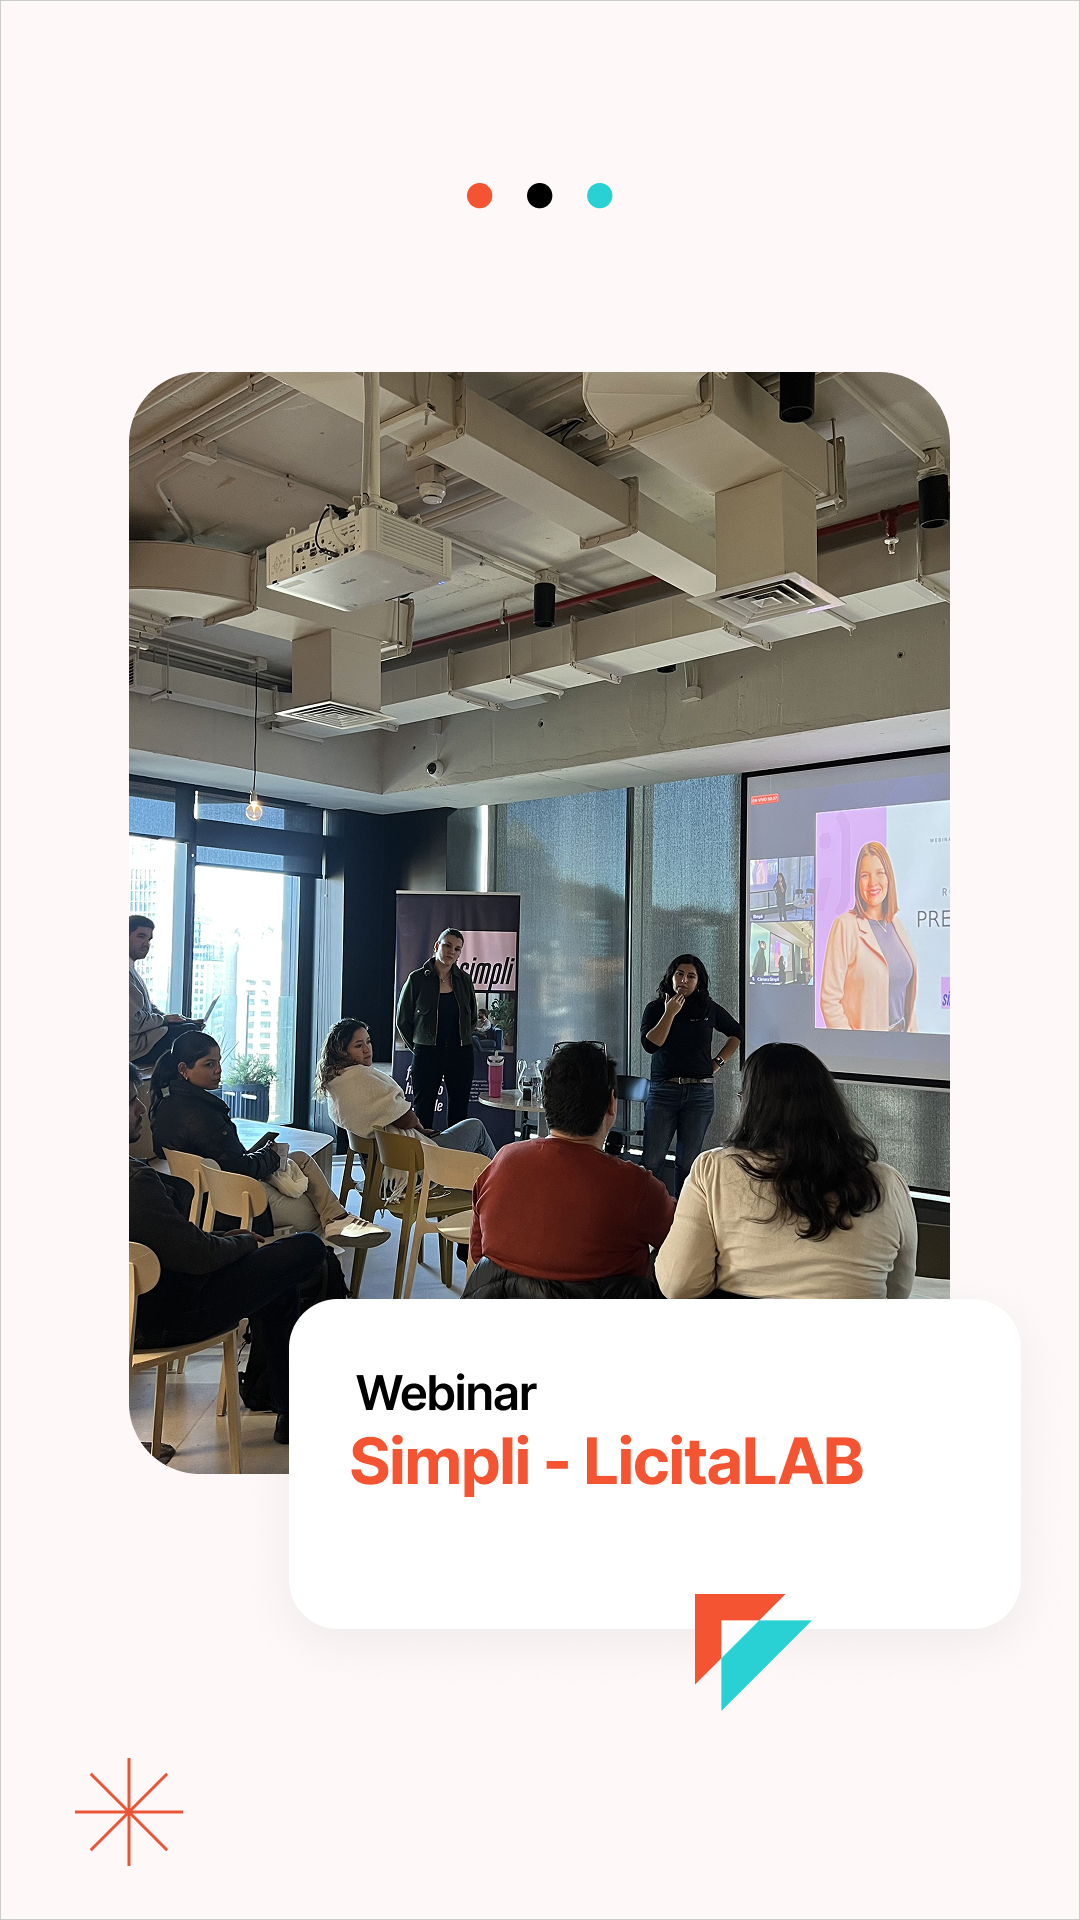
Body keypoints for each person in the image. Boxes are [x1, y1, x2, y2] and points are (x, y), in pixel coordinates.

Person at [129, 1066, 330, 1442]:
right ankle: (288, 1405)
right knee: (307, 1248)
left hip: (142, 1312)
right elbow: (196, 1256)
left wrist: (223, 1238)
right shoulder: (134, 1182)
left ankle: (287, 1407)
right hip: (170, 1315)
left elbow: (170, 1242)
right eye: (130, 1102)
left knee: (276, 1278)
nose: (140, 1107)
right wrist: (244, 1244)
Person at [656, 1042, 917, 1300]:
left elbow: (679, 1284)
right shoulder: (886, 1183)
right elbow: (898, 1288)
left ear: (750, 1106)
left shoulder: (713, 1170)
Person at [463, 1041, 674, 1297]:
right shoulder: (636, 1187)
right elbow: (687, 1248)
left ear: (546, 1101)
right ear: (611, 1104)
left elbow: (478, 1255)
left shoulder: (500, 1164)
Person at [149, 1030, 351, 1237]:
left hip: (204, 1196)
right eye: (209, 1064)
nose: (218, 1070)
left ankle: (338, 1217)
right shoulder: (203, 1115)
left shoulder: (166, 1105)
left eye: (218, 1062)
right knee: (313, 1213)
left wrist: (264, 1155)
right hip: (234, 1201)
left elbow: (215, 1157)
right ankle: (331, 1232)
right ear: (183, 1069)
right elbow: (243, 1168)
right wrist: (271, 1155)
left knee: (300, 1158)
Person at [315, 1020, 496, 1158]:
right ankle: (501, 1183)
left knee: (470, 1140)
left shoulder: (338, 1081)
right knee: (476, 1128)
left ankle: (487, 1186)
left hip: (383, 1164)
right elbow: (405, 1120)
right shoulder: (360, 1077)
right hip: (411, 1162)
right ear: (342, 1051)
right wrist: (419, 1129)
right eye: (358, 1045)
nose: (367, 1049)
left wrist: (420, 1130)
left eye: (368, 1042)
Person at [640, 954, 741, 1196]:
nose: (684, 980)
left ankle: (681, 1213)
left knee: (687, 1164)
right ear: (671, 977)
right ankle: (648, 1213)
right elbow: (651, 1045)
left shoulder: (708, 1008)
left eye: (691, 976)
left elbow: (736, 1033)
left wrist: (717, 1063)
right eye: (679, 974)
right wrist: (670, 1013)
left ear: (699, 982)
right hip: (664, 1091)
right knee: (652, 1161)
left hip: (699, 1093)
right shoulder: (655, 1008)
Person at [819, 841, 919, 1031]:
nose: (873, 882)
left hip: (905, 1039)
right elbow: (829, 1001)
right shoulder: (845, 926)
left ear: (889, 877)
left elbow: (905, 996)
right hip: (867, 1045)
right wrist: (854, 1043)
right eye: (865, 875)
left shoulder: (896, 924)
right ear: (858, 882)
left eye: (880, 873)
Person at [395, 929, 478, 1128]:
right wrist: (419, 1047)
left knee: (459, 1112)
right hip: (427, 1053)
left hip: (461, 1053)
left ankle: (456, 1148)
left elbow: (473, 1018)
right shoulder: (417, 979)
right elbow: (403, 1020)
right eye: (447, 945)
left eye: (457, 949)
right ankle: (423, 1149)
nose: (451, 951)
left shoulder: (464, 980)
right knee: (423, 1110)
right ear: (437, 946)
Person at [129, 916, 204, 1065]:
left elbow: (147, 1007)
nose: (146, 944)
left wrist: (172, 1018)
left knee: (188, 1026)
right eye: (141, 936)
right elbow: (132, 1022)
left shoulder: (131, 969)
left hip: (141, 1036)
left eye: (149, 939)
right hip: (133, 1046)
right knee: (189, 1032)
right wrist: (164, 1020)